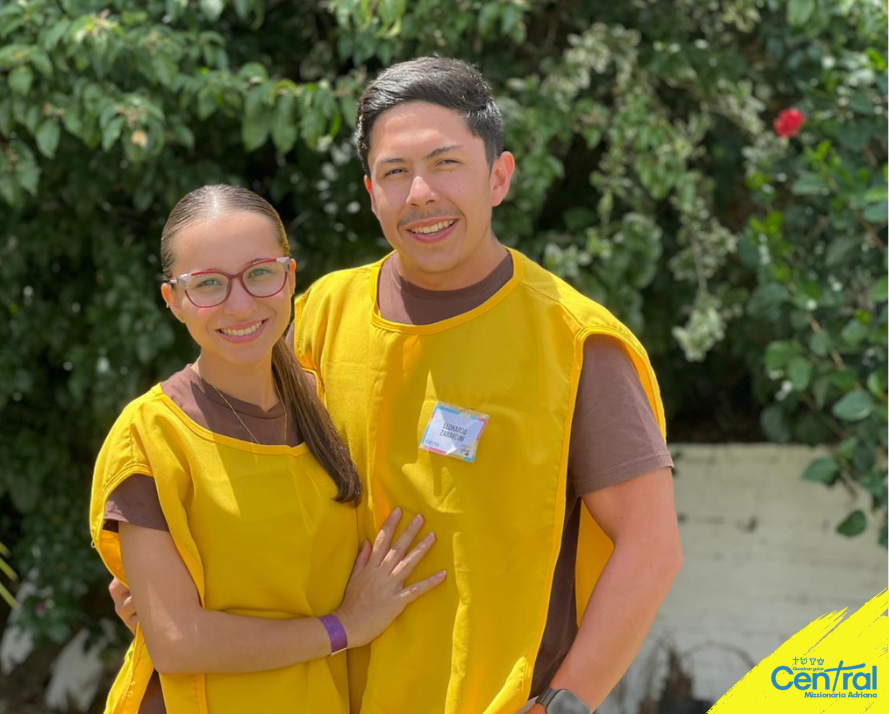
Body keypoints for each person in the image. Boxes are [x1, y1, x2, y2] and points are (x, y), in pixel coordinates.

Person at [113, 57, 683, 714]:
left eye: (446, 164)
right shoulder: (318, 317)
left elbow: (651, 548)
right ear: (370, 192)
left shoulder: (575, 343)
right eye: (395, 172)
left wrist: (564, 704)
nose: (420, 194)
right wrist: (167, 593)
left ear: (499, 177)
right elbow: (247, 495)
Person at [89, 184, 445, 714]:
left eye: (259, 273)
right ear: (174, 300)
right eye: (208, 284)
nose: (240, 304)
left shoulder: (328, 407)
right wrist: (343, 627)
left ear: (290, 277)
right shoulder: (151, 435)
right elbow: (178, 642)